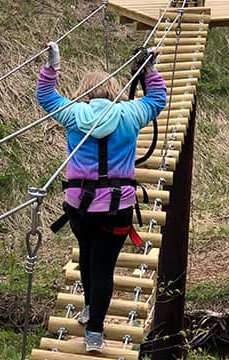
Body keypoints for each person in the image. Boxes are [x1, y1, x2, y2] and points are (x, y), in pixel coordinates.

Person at [36, 42, 166, 353]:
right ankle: (95, 332)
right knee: (104, 265)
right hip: (117, 207)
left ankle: (87, 310)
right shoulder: (130, 113)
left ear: (85, 91)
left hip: (79, 207)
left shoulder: (73, 114)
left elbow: (45, 96)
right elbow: (158, 98)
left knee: (86, 253)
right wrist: (148, 70)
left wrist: (52, 66)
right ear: (113, 89)